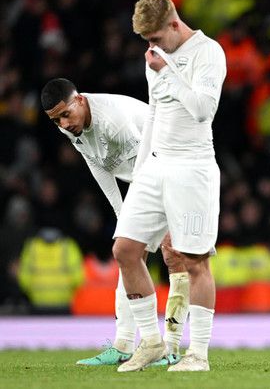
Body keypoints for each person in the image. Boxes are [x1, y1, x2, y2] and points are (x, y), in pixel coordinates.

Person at [112, 0, 226, 372]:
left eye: (157, 38)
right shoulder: (155, 58)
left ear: (175, 24)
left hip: (192, 168)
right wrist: (140, 172)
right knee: (125, 249)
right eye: (147, 41)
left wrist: (167, 73)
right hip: (154, 168)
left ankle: (199, 354)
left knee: (194, 261)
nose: (152, 47)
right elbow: (154, 115)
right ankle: (151, 343)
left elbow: (203, 110)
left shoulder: (208, 53)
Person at [41, 78, 190, 366]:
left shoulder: (115, 122)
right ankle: (124, 344)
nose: (63, 124)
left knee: (172, 254)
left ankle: (170, 347)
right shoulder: (70, 125)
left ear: (80, 100)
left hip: (171, 166)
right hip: (144, 174)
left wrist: (139, 217)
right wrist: (123, 214)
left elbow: (148, 165)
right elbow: (96, 164)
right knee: (128, 251)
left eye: (66, 115)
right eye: (56, 120)